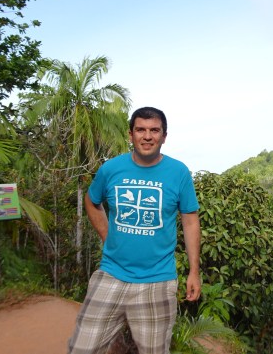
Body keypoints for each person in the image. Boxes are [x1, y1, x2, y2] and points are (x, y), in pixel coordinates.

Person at [68, 106, 201, 354]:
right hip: (112, 273)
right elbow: (92, 201)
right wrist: (107, 236)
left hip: (158, 280)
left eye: (154, 130)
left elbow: (190, 220)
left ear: (164, 136)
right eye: (140, 129)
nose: (147, 136)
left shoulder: (179, 172)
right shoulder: (111, 169)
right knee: (81, 348)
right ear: (131, 134)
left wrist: (194, 271)